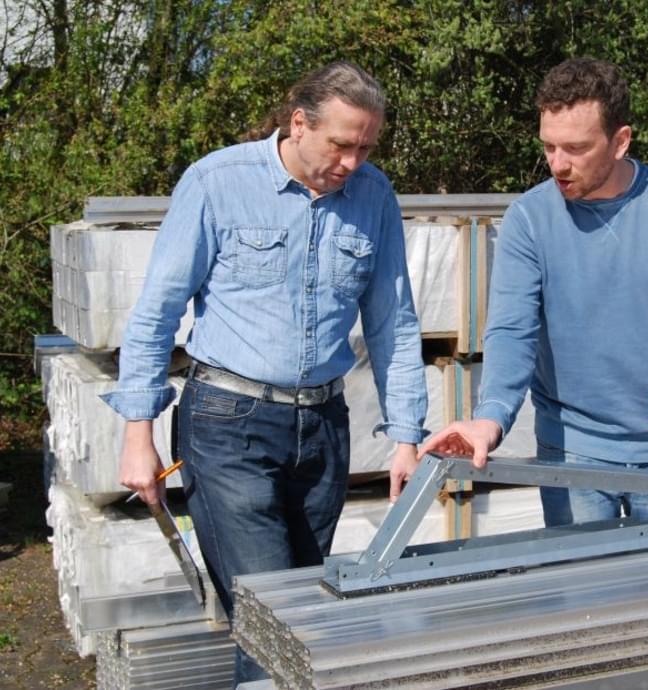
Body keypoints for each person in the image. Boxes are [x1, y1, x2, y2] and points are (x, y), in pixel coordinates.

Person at [102, 61, 427, 683]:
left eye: (366, 148)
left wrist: (407, 437)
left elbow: (394, 323)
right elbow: (157, 311)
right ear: (299, 123)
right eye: (341, 145)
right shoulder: (217, 183)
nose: (352, 162)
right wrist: (137, 433)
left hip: (323, 430)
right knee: (270, 614)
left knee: (306, 613)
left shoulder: (374, 196)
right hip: (228, 427)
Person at [419, 57, 648, 528]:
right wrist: (491, 417)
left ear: (620, 141)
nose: (558, 164)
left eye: (575, 148)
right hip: (570, 454)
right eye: (548, 146)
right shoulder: (529, 219)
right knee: (579, 578)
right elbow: (511, 331)